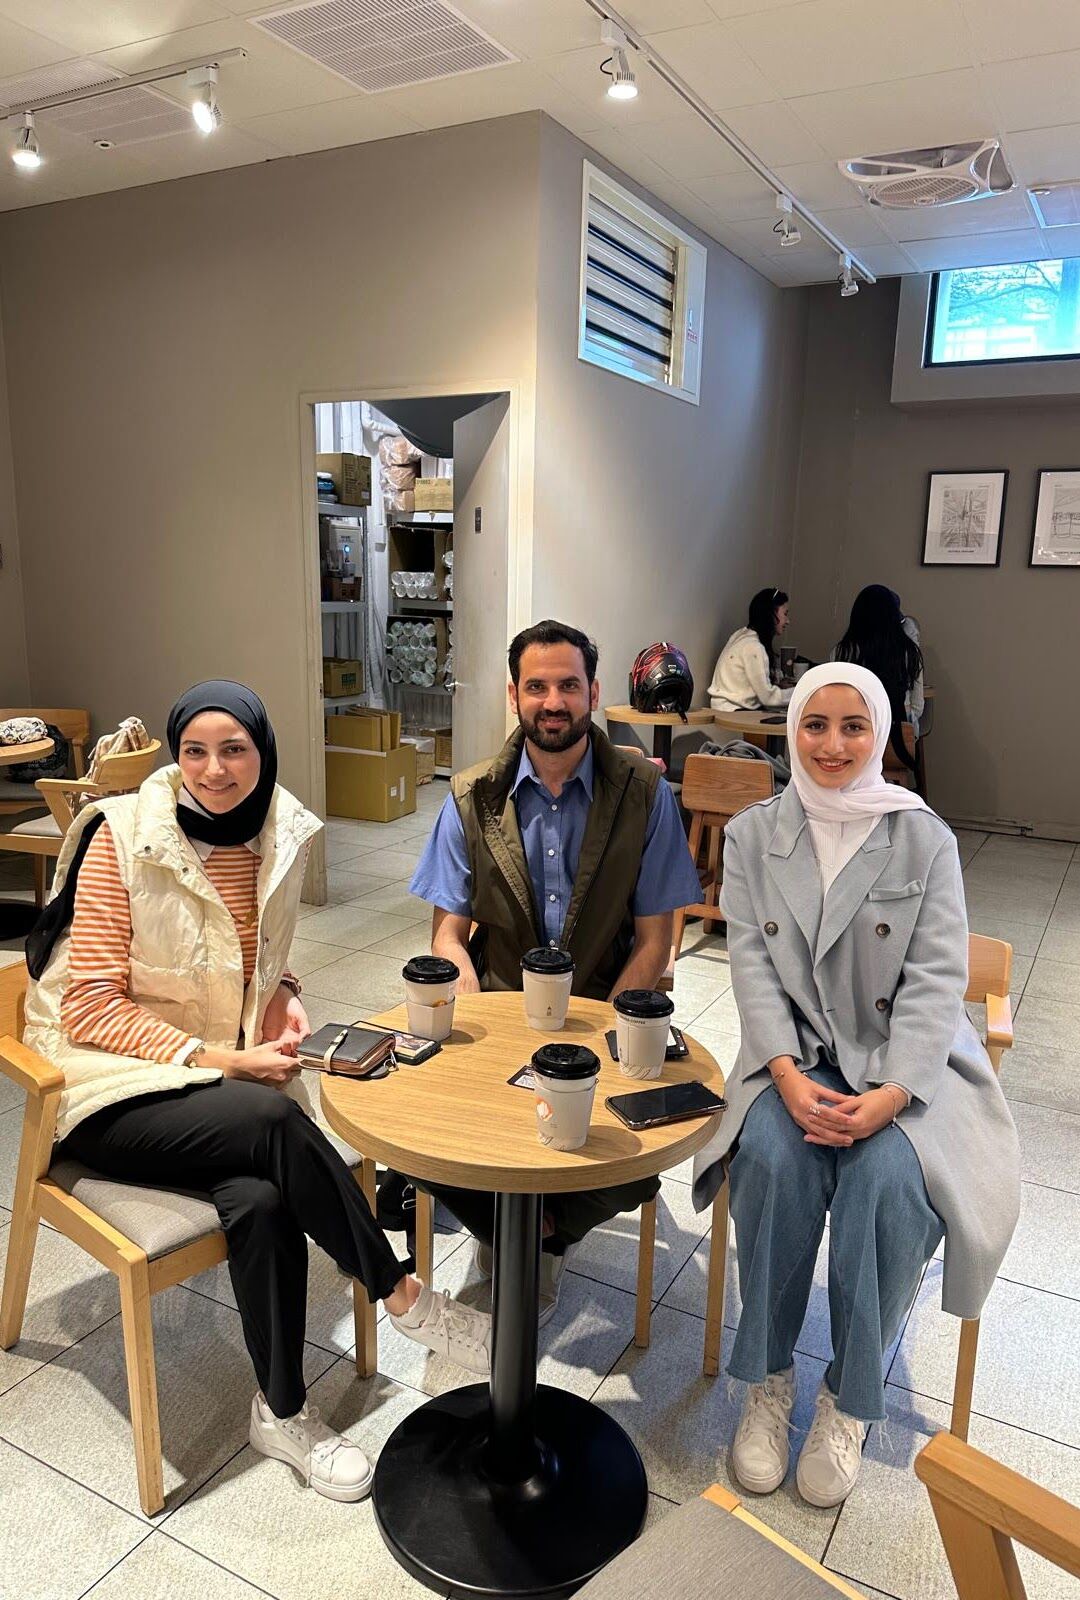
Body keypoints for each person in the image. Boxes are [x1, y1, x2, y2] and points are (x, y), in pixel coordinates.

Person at [23, 681, 491, 1504]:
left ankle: (281, 1412)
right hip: (102, 1090)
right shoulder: (122, 836)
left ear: (262, 753)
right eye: (195, 751)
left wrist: (282, 991)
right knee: (274, 1118)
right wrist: (222, 1061)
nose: (214, 770)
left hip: (204, 1096)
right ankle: (406, 1296)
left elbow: (238, 956)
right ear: (175, 755)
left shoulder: (275, 834)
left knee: (262, 1199)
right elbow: (87, 1007)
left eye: (234, 749)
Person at [691, 663, 1019, 1508]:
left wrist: (894, 1094)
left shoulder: (922, 838)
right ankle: (769, 1378)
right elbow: (751, 965)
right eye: (815, 725)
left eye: (853, 726)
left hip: (904, 1063)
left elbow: (938, 978)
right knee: (771, 1158)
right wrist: (786, 1076)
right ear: (792, 730)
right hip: (795, 1057)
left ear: (878, 736)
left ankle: (848, 1394)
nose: (833, 745)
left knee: (888, 1182)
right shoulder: (755, 834)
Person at [409, 620, 702, 1322]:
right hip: (499, 1006)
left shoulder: (645, 792)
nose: (553, 701)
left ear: (594, 693)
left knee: (641, 1158)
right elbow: (448, 934)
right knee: (419, 1136)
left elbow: (656, 941)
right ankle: (516, 1222)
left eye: (569, 685)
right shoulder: (472, 795)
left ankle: (535, 1228)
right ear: (513, 695)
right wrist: (475, 1023)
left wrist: (606, 1034)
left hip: (603, 1009)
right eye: (536, 686)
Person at [834, 584, 925, 736]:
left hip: (853, 731)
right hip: (899, 734)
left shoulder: (843, 651)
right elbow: (918, 706)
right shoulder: (909, 652)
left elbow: (836, 699)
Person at [708, 587, 793, 712]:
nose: (787, 621)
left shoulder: (740, 635)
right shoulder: (753, 646)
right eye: (785, 614)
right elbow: (768, 698)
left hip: (722, 707)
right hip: (734, 711)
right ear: (771, 614)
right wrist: (801, 691)